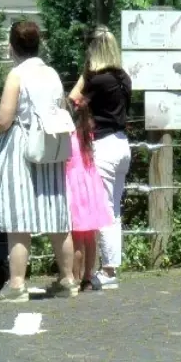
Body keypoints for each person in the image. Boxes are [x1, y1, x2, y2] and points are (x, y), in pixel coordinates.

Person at [0, 20, 76, 302]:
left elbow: (4, 119)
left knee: (19, 217)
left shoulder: (16, 75)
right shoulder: (51, 73)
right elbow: (60, 106)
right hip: (51, 147)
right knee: (56, 216)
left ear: (13, 46)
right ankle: (68, 280)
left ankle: (16, 285)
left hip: (22, 148)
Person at [69, 26, 132, 289]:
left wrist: (85, 73)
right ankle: (111, 268)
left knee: (104, 210)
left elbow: (73, 99)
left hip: (103, 145)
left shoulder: (97, 80)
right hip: (122, 144)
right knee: (114, 210)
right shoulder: (124, 77)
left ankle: (107, 272)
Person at [65, 97, 114, 291]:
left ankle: (74, 277)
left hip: (74, 187)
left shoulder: (67, 135)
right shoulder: (87, 133)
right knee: (90, 236)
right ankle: (88, 276)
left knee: (77, 237)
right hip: (91, 186)